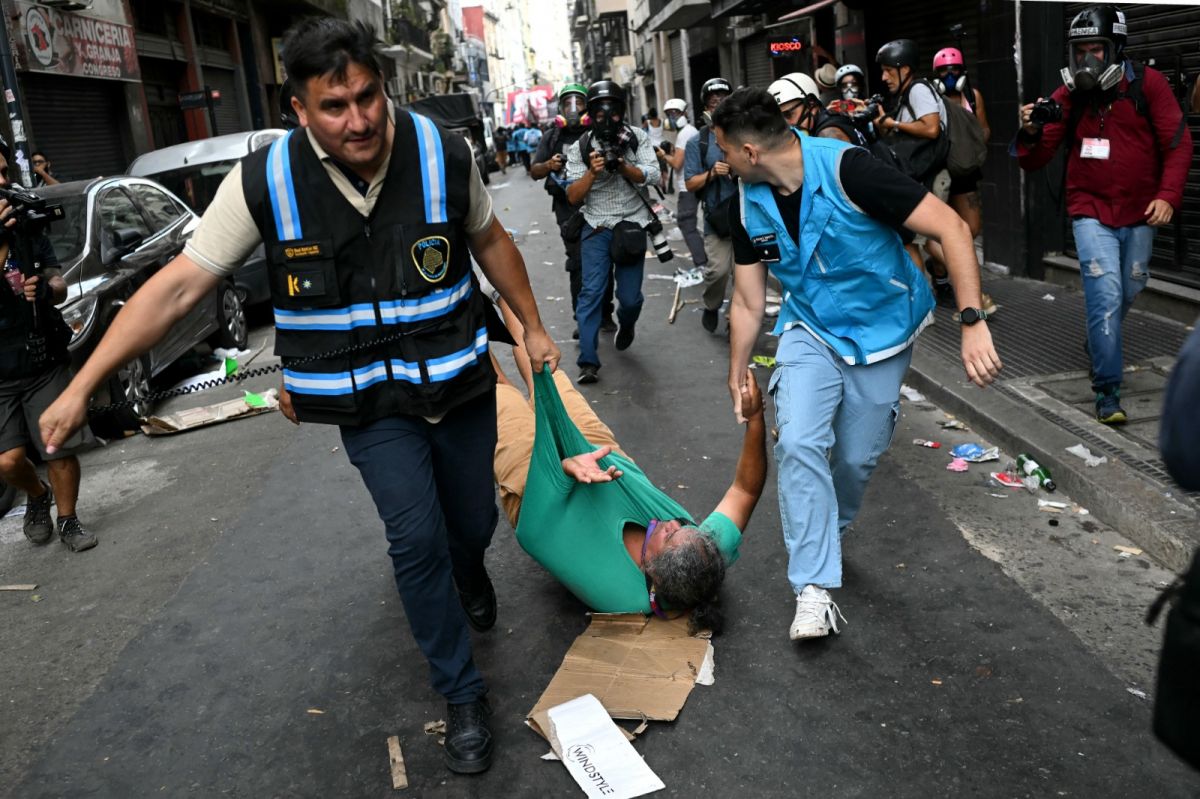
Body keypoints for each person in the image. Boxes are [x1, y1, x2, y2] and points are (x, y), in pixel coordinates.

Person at [38, 17, 560, 775]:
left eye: (368, 97)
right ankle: (461, 691)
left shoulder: (442, 152)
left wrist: (534, 328)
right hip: (370, 407)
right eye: (336, 106)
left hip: (458, 380)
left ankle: (469, 564)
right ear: (299, 110)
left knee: (470, 521)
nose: (359, 120)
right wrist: (83, 384)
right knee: (413, 539)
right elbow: (181, 284)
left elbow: (491, 240)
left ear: (385, 88)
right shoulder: (266, 180)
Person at [711, 88, 1002, 641]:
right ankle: (813, 588)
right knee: (798, 442)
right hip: (810, 327)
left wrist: (972, 320)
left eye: (724, 148)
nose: (720, 159)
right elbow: (749, 302)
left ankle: (830, 526)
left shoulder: (851, 171)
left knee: (857, 456)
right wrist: (737, 369)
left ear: (750, 151)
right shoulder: (745, 204)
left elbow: (952, 229)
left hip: (883, 330)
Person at [490, 296, 766, 633]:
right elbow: (745, 490)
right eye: (683, 527)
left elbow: (534, 535)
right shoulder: (700, 555)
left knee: (495, 390)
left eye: (669, 535)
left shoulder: (613, 589)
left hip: (536, 491)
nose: (672, 523)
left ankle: (457, 316)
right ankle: (502, 290)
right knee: (545, 372)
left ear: (651, 568)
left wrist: (561, 468)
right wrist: (755, 420)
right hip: (600, 454)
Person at [1017, 6, 1191, 424]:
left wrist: (1168, 196)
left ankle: (1099, 342)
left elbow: (1178, 144)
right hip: (1090, 210)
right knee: (1106, 294)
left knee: (1131, 286)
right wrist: (1029, 131)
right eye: (1081, 51)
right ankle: (1107, 391)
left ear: (1117, 49)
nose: (1088, 60)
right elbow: (1036, 159)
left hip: (1140, 211)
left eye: (1098, 49)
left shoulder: (1147, 86)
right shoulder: (1067, 96)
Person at [0, 148, 95, 553]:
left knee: (57, 445)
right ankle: (37, 495)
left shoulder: (25, 226)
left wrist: (49, 288)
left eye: (3, 172)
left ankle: (68, 518)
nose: (2, 182)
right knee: (6, 461)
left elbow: (59, 281)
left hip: (41, 356)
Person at [564, 79, 660, 385]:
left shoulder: (638, 139)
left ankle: (627, 324)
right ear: (591, 115)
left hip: (631, 225)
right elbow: (573, 197)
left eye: (613, 111)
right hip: (596, 226)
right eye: (600, 112)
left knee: (630, 299)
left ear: (622, 111)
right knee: (591, 293)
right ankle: (588, 361)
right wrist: (592, 173)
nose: (607, 118)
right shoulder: (580, 147)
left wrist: (623, 167)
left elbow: (654, 175)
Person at [530, 83, 615, 338]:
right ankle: (583, 317)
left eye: (579, 102)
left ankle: (605, 311)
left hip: (599, 203)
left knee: (604, 258)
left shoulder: (598, 132)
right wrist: (549, 164)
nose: (574, 108)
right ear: (560, 107)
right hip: (567, 209)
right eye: (568, 103)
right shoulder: (552, 137)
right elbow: (534, 171)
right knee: (577, 262)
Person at [924, 47, 993, 309]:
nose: (950, 74)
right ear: (936, 74)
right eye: (943, 70)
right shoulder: (931, 100)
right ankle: (944, 280)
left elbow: (984, 129)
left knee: (971, 229)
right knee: (937, 234)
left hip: (965, 172)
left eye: (954, 69)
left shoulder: (972, 97)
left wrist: (970, 145)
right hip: (938, 173)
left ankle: (939, 265)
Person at [684, 77, 737, 334]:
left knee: (745, 278)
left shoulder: (745, 134)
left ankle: (735, 322)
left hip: (748, 217)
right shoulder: (699, 141)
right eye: (713, 102)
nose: (719, 106)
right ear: (705, 107)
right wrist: (713, 173)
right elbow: (690, 183)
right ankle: (711, 304)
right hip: (718, 219)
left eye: (724, 100)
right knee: (718, 272)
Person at [662, 98, 706, 269]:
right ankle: (705, 260)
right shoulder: (688, 131)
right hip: (689, 183)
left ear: (684, 114)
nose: (671, 118)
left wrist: (662, 156)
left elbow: (677, 163)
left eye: (674, 113)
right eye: (669, 114)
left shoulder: (685, 133)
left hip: (688, 186)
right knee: (688, 224)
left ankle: (702, 264)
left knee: (687, 225)